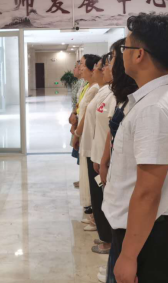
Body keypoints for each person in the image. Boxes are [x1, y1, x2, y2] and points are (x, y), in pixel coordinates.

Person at [103, 12, 168, 283]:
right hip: (146, 231)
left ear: (139, 54)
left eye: (125, 48)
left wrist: (129, 256)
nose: (122, 55)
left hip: (148, 239)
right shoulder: (158, 96)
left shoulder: (155, 108)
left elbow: (148, 192)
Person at [99, 38, 138, 283]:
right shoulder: (125, 97)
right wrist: (105, 160)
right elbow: (112, 131)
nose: (108, 64)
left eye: (112, 58)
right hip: (119, 191)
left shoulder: (148, 104)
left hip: (129, 200)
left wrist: (129, 256)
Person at [79, 56, 110, 234]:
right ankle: (100, 225)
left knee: (100, 192)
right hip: (93, 148)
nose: (101, 70)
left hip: (100, 152)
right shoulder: (102, 91)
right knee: (96, 191)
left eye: (103, 66)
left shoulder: (107, 93)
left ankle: (104, 230)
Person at [88, 55, 114, 257]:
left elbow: (110, 132)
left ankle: (110, 239)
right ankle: (106, 236)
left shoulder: (114, 95)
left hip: (107, 159)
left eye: (107, 65)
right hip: (98, 155)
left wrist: (103, 160)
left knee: (109, 200)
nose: (103, 69)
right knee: (102, 199)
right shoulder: (107, 92)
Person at [73, 54, 100, 222]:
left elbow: (87, 116)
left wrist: (77, 133)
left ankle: (93, 211)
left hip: (88, 135)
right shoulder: (88, 86)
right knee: (85, 171)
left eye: (83, 64)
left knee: (90, 173)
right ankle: (90, 208)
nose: (80, 67)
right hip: (83, 134)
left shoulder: (96, 89)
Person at [69, 60, 84, 182]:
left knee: (79, 146)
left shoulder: (84, 83)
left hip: (79, 118)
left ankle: (83, 179)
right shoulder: (78, 82)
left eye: (76, 67)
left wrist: (74, 115)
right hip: (76, 116)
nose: (74, 70)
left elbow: (79, 103)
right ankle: (82, 178)